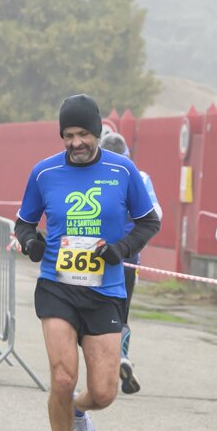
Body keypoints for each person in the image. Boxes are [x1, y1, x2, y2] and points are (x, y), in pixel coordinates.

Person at [14, 94, 161, 431]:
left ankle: (79, 411)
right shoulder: (44, 172)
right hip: (57, 286)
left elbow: (149, 222)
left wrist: (121, 249)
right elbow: (23, 223)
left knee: (104, 392)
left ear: (96, 132)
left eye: (82, 133)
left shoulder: (123, 170)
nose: (75, 142)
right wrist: (31, 243)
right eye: (68, 135)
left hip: (105, 290)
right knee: (63, 378)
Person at [98, 130, 160, 395]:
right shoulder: (139, 177)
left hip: (93, 253)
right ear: (127, 154)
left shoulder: (91, 173)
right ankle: (121, 356)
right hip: (127, 256)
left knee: (91, 311)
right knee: (120, 313)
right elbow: (156, 214)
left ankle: (103, 365)